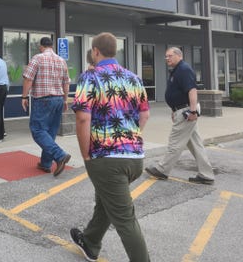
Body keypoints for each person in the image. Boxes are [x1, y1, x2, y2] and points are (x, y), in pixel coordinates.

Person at [70, 32, 151, 262]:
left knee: (125, 219)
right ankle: (90, 242)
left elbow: (83, 119)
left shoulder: (90, 76)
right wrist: (131, 138)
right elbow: (144, 114)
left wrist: (86, 154)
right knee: (107, 201)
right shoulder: (133, 78)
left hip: (106, 158)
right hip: (135, 157)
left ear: (95, 51)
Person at [145, 47, 215, 185]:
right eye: (166, 56)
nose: (167, 59)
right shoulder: (177, 70)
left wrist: (193, 112)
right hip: (182, 110)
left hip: (187, 112)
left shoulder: (184, 69)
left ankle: (162, 170)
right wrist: (174, 110)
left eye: (169, 56)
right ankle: (206, 175)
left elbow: (192, 90)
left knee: (175, 142)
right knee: (195, 145)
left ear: (179, 55)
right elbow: (178, 93)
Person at [21, 36, 71, 176]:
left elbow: (28, 79)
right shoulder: (61, 61)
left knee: (37, 130)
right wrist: (65, 100)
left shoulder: (37, 58)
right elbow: (66, 83)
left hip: (42, 100)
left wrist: (24, 96)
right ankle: (46, 164)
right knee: (50, 133)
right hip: (58, 100)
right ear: (52, 46)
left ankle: (60, 155)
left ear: (41, 46)